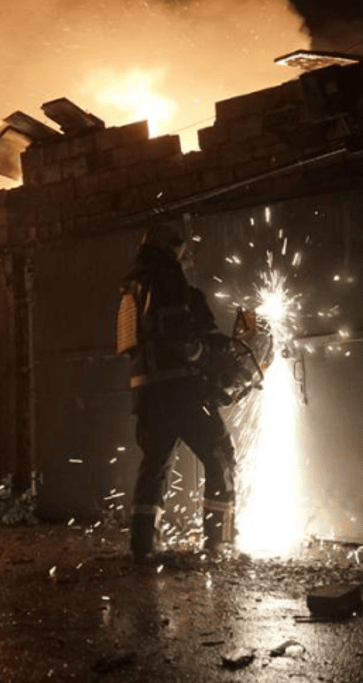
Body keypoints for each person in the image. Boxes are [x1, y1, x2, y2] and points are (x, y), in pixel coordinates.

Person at [117, 223, 237, 562]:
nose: (184, 257)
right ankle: (218, 542)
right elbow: (181, 339)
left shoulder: (132, 288)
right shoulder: (166, 278)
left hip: (147, 395)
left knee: (154, 466)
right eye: (181, 250)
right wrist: (208, 359)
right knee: (220, 455)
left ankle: (143, 546)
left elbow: (135, 346)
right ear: (170, 248)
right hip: (181, 391)